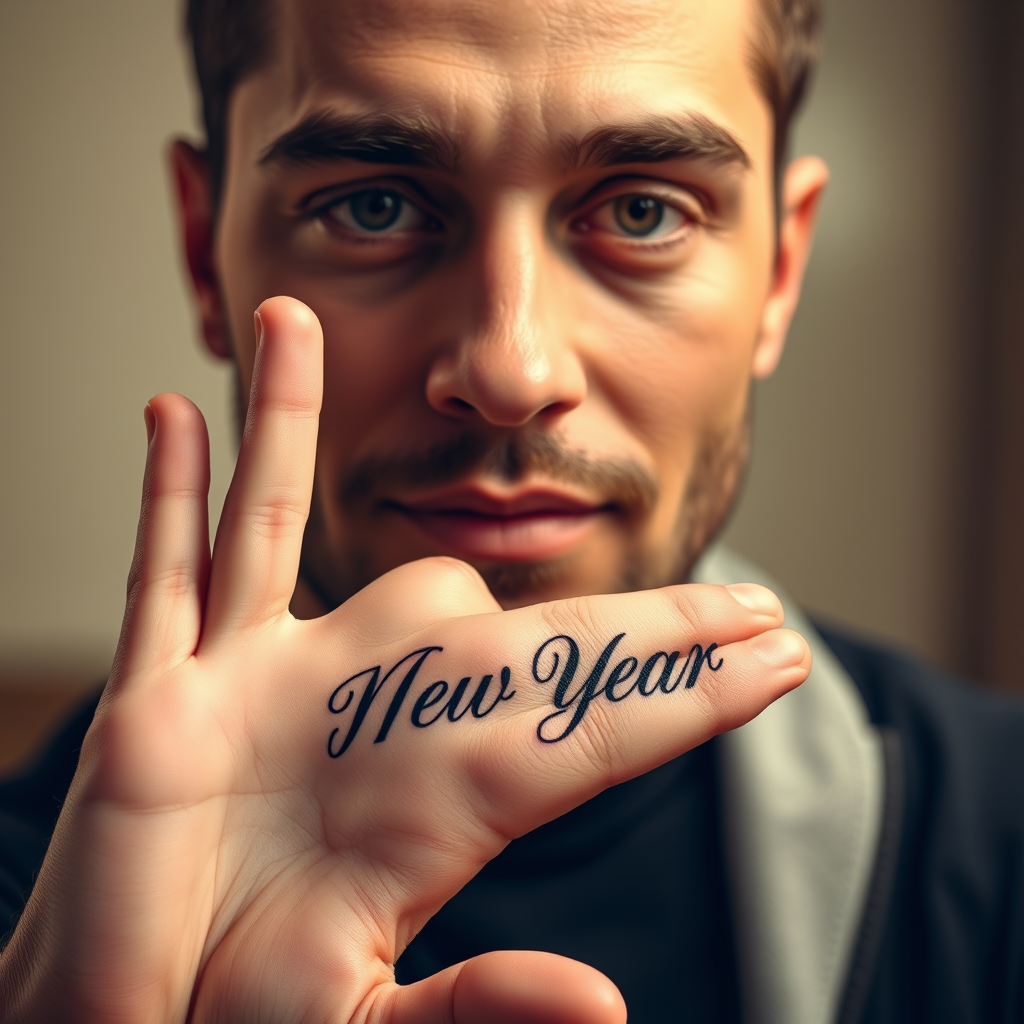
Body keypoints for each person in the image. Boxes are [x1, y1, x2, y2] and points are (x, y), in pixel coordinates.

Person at [1, 0, 1022, 1021]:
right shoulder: (33, 919)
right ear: (200, 251)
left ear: (780, 272)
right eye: (373, 206)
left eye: (642, 211)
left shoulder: (999, 841)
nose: (509, 370)